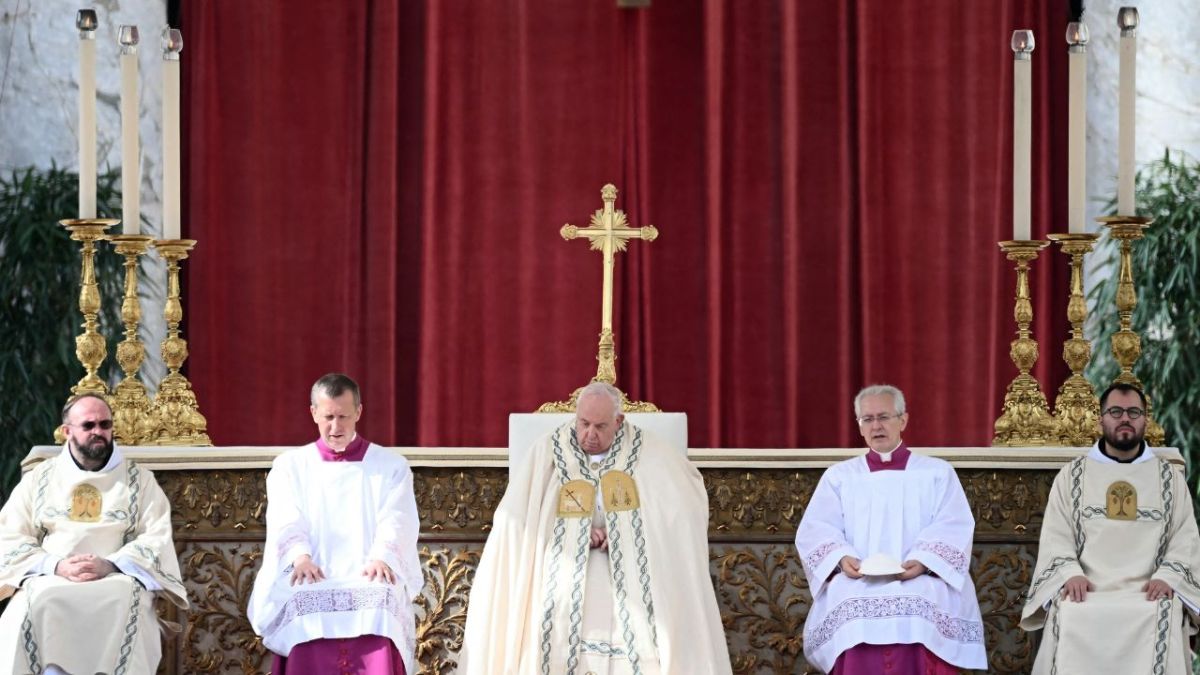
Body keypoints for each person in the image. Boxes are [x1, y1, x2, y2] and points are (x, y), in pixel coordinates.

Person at [460, 381, 731, 674]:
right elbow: (518, 519)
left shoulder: (650, 452)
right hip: (560, 558)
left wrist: (628, 534)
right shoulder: (549, 452)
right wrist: (574, 531)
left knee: (645, 623)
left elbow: (681, 510)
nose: (589, 435)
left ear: (619, 421)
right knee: (554, 608)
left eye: (600, 427)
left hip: (632, 563)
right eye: (583, 423)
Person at [795, 384, 987, 673]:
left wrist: (924, 561)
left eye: (884, 417)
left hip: (919, 576)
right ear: (859, 426)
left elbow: (954, 524)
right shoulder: (840, 476)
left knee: (927, 597)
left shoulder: (936, 472)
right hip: (858, 578)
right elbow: (817, 529)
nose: (876, 426)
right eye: (867, 419)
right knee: (845, 597)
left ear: (903, 420)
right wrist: (840, 558)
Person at [0, 394, 188, 674]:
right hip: (50, 578)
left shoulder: (140, 480)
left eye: (105, 424)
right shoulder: (39, 479)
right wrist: (55, 565)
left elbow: (155, 537)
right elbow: (10, 535)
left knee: (128, 599)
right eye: (88, 425)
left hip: (117, 579)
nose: (98, 432)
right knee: (33, 600)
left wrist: (110, 564)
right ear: (67, 432)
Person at [248, 373, 423, 674]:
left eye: (343, 416)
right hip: (311, 567)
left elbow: (398, 518)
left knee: (382, 599)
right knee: (300, 597)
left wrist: (383, 556)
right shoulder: (290, 466)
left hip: (369, 568)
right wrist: (300, 557)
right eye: (328, 416)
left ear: (359, 412)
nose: (336, 426)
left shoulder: (391, 466)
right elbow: (286, 517)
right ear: (314, 412)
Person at [1021, 383, 1200, 674]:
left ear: (1145, 419)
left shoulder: (1169, 478)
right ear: (1101, 418)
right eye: (1115, 411)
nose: (1125, 418)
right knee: (1067, 610)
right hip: (1087, 589)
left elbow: (1185, 537)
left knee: (1167, 610)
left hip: (1149, 592)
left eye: (1133, 412)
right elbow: (1057, 534)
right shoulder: (1073, 476)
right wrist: (1070, 573)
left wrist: (1168, 577)